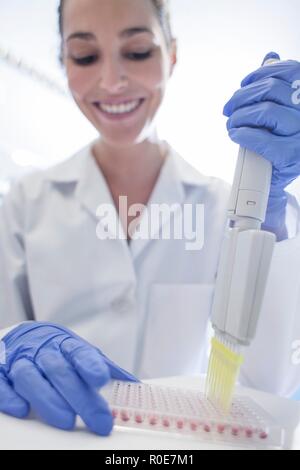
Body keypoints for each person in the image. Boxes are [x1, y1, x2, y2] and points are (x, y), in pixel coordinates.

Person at [0, 0, 300, 436]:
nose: (112, 80)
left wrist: (271, 216)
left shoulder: (220, 206)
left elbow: (270, 385)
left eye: (138, 51)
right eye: (85, 56)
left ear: (171, 54)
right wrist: (8, 346)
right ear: (63, 63)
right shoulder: (22, 204)